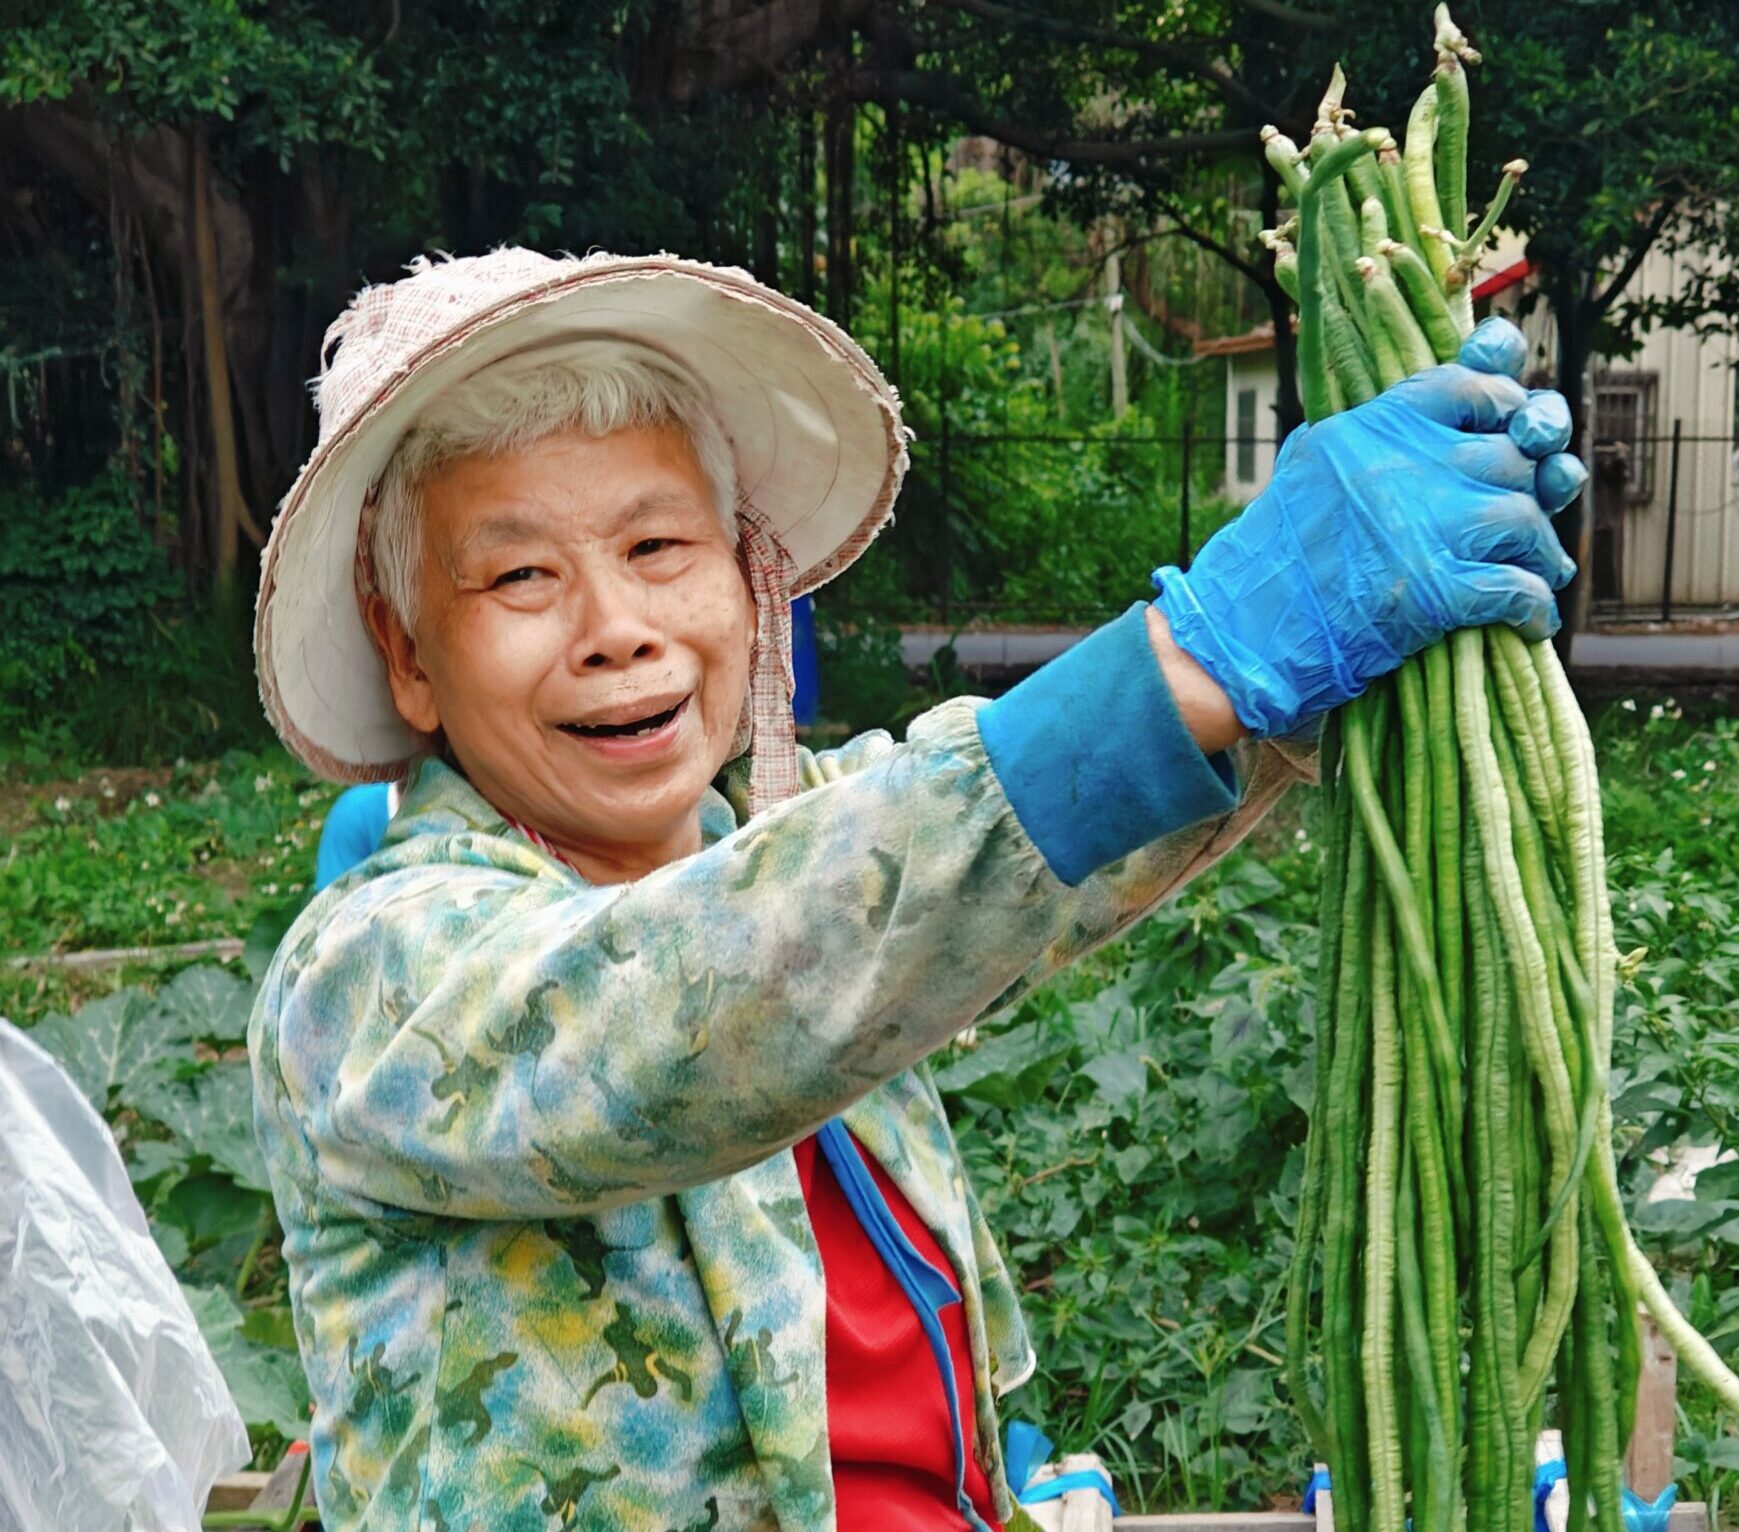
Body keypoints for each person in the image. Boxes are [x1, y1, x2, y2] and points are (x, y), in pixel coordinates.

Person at [248, 249, 1583, 1532]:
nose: (616, 627)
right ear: (409, 653)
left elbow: (976, 859)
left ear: (749, 583)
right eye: (522, 574)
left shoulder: (795, 847)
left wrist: (1308, 675)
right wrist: (1201, 651)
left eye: (660, 548)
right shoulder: (369, 972)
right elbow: (689, 996)